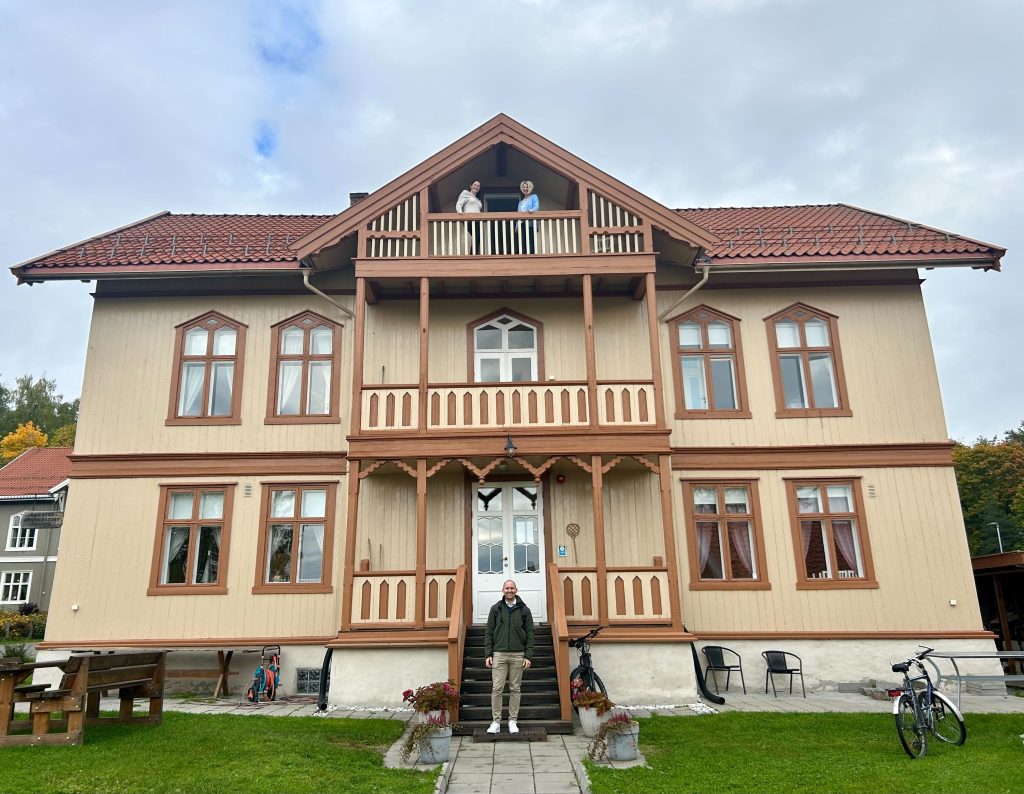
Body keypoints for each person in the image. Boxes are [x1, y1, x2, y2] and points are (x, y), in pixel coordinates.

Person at [484, 579, 534, 734]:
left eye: (512, 588)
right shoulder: (496, 609)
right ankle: (496, 722)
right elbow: (489, 632)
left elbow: (530, 633)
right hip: (499, 654)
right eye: (507, 588)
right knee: (497, 688)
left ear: (516, 590)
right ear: (503, 590)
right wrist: (488, 654)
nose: (509, 590)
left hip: (518, 655)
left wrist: (528, 655)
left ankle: (513, 721)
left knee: (515, 688)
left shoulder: (524, 610)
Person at [456, 180, 483, 254]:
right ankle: (473, 254)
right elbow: (459, 204)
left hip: (477, 221)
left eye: (478, 186)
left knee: (478, 238)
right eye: (475, 185)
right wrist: (460, 213)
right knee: (476, 236)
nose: (476, 187)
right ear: (471, 186)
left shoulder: (478, 199)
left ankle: (474, 253)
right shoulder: (465, 193)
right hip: (469, 220)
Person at [516, 180, 539, 254]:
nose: (525, 189)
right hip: (521, 223)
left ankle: (531, 255)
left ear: (530, 188)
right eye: (524, 187)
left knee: (530, 239)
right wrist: (516, 226)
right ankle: (524, 254)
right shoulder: (520, 202)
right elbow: (518, 214)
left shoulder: (534, 197)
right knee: (523, 240)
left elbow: (536, 207)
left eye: (527, 187)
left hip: (530, 223)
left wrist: (532, 210)